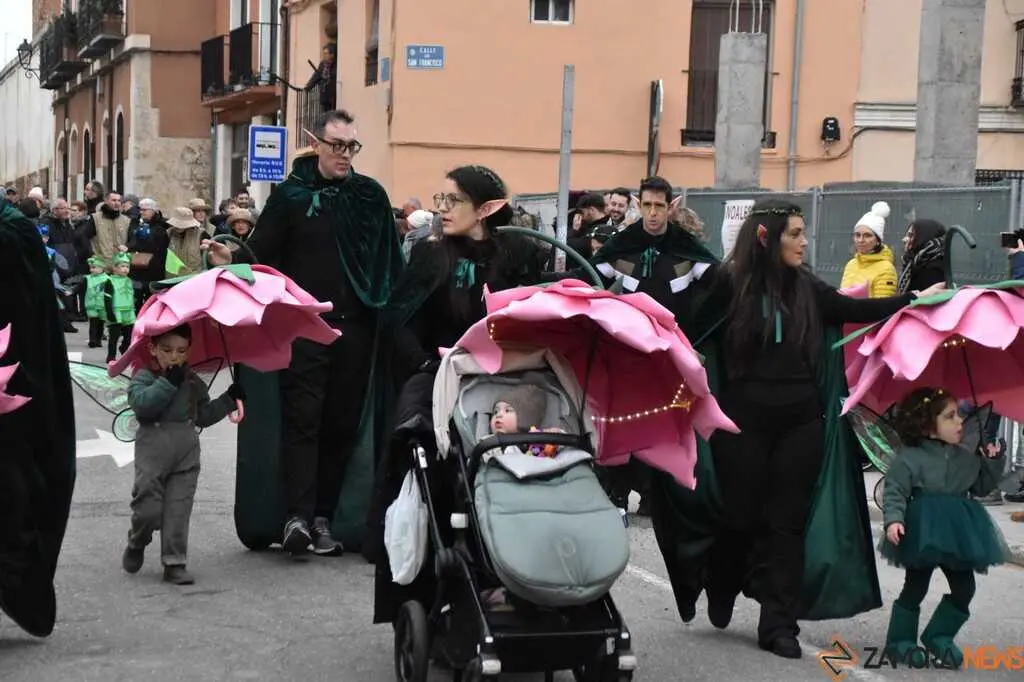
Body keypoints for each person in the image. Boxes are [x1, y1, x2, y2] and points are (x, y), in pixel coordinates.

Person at [651, 199, 946, 659]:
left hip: (801, 423)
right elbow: (685, 332)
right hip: (741, 424)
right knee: (741, 516)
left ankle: (778, 624)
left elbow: (855, 310)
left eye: (804, 232)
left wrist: (914, 301)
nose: (804, 241)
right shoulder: (729, 285)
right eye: (795, 233)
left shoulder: (807, 287)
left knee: (786, 524)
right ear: (767, 238)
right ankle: (723, 579)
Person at [202, 108, 404, 557]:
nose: (345, 155)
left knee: (340, 425)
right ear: (316, 144)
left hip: (356, 332)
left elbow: (391, 265)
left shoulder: (370, 197)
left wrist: (396, 318)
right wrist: (229, 257)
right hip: (304, 329)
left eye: (352, 147)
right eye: (337, 146)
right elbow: (261, 254)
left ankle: (323, 518)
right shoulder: (290, 197)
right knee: (302, 422)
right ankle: (295, 516)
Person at [368, 164, 546, 625]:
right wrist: (427, 365)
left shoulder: (519, 253)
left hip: (503, 378)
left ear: (485, 209)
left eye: (453, 201)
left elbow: (538, 312)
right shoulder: (430, 255)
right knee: (417, 449)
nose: (441, 209)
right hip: (438, 375)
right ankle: (427, 586)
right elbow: (398, 320)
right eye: (439, 199)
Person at [576, 176, 719, 515]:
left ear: (671, 206)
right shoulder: (623, 245)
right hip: (630, 351)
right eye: (647, 206)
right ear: (639, 205)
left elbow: (720, 287)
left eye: (659, 206)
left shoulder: (686, 247)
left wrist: (696, 336)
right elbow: (588, 281)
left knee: (669, 422)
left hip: (673, 352)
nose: (653, 214)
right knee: (625, 419)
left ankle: (660, 495)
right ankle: (618, 493)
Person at [879, 387, 1009, 667]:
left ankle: (939, 636)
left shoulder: (965, 457)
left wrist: (993, 461)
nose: (960, 421)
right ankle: (900, 642)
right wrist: (894, 519)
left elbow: (982, 486)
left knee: (965, 589)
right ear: (928, 425)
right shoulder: (909, 457)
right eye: (950, 416)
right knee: (915, 587)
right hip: (923, 532)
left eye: (959, 415)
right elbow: (895, 491)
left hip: (959, 533)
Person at [0, 201, 76, 637]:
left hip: (12, 390)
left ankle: (16, 584)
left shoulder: (15, 234)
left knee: (15, 489)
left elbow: (32, 322)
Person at [121, 324, 246, 585]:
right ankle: (138, 540)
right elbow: (144, 406)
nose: (174, 357)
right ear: (153, 349)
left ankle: (174, 562)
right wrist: (168, 383)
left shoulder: (192, 382)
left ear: (189, 351)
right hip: (152, 454)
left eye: (180, 351)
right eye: (166, 350)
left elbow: (203, 415)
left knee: (178, 510)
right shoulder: (144, 377)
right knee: (148, 509)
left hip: (186, 456)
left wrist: (228, 400)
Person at [840, 201, 898, 297]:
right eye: (857, 235)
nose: (860, 240)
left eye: (867, 235)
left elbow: (882, 306)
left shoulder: (886, 268)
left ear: (878, 240)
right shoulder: (851, 264)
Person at [897, 219, 947, 294]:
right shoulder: (915, 262)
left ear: (923, 238)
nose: (904, 239)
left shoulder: (934, 269)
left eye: (911, 235)